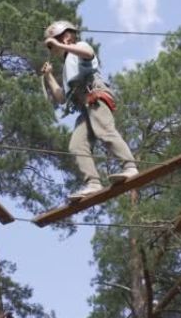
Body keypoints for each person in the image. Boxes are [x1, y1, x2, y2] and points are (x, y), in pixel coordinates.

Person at [41, 20, 138, 200]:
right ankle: (93, 183)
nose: (54, 47)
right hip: (85, 108)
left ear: (67, 36)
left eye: (57, 40)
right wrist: (48, 77)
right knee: (76, 145)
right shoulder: (67, 67)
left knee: (105, 131)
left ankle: (130, 167)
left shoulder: (79, 48)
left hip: (96, 96)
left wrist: (60, 44)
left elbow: (89, 53)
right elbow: (61, 98)